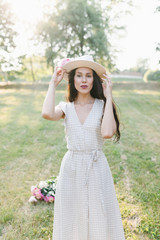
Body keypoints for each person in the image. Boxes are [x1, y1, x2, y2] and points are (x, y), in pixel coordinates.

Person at [42, 55, 125, 240]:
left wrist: (108, 95)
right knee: (72, 212)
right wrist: (52, 85)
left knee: (98, 210)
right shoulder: (66, 107)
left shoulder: (102, 105)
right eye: (79, 75)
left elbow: (107, 133)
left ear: (94, 79)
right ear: (73, 80)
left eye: (88, 75)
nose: (84, 80)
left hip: (96, 166)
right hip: (72, 166)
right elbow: (47, 113)